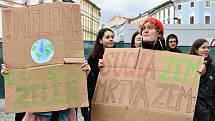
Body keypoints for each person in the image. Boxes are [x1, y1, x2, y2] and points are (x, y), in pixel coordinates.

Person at [1, 61, 90, 121]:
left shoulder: (69, 113)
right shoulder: (31, 111)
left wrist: (82, 74)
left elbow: (75, 87)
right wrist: (10, 74)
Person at [79, 28, 115, 121]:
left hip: (113, 98)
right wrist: (99, 70)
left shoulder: (119, 56)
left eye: (112, 37)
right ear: (100, 40)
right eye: (107, 37)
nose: (111, 39)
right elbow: (88, 81)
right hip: (97, 99)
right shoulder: (93, 58)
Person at [190, 39, 215, 121]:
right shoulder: (189, 65)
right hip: (193, 111)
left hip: (209, 112)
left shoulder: (212, 67)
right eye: (203, 47)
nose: (207, 50)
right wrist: (201, 76)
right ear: (196, 50)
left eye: (208, 47)